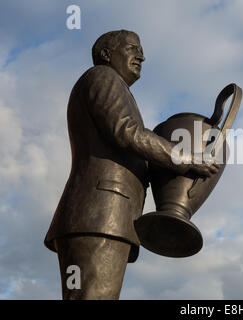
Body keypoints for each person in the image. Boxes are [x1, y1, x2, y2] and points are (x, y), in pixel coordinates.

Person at [44, 30, 218, 299]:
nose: (142, 56)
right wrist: (186, 158)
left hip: (106, 220)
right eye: (132, 48)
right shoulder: (102, 76)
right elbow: (127, 131)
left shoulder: (115, 87)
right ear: (106, 54)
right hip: (100, 215)